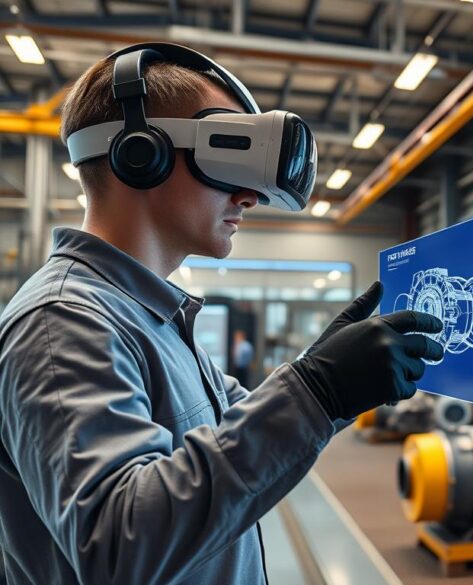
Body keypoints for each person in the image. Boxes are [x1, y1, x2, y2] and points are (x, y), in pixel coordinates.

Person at [0, 43, 443, 585]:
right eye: (227, 154)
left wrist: (332, 379)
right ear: (141, 153)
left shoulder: (149, 315)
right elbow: (117, 547)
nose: (249, 194)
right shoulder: (64, 321)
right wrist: (317, 390)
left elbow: (234, 426)